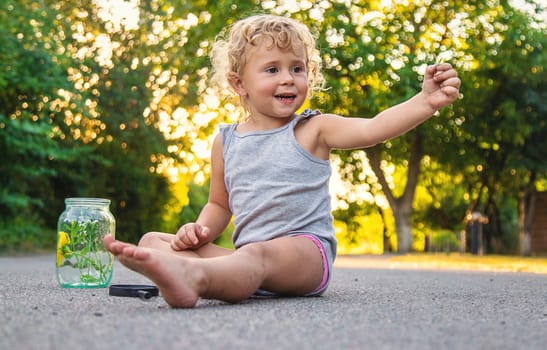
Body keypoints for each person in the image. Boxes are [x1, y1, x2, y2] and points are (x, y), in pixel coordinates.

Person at [103, 14, 460, 308]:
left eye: (297, 68)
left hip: (304, 255)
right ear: (239, 83)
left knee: (255, 254)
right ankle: (186, 269)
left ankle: (193, 279)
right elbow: (218, 204)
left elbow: (373, 129)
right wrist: (199, 231)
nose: (288, 78)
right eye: (272, 69)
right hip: (248, 258)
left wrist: (424, 102)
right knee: (153, 240)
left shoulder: (313, 129)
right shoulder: (226, 140)